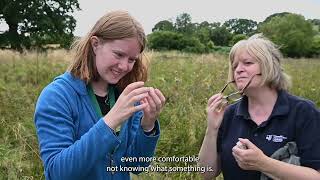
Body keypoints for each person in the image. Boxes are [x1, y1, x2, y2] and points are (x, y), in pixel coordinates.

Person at [34, 10, 165, 180]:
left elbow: (136, 164)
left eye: (132, 59)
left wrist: (148, 125)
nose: (125, 66)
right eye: (118, 54)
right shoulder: (57, 96)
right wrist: (110, 121)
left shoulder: (125, 95)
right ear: (95, 44)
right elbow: (57, 173)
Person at [198, 34, 320, 180]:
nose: (238, 70)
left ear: (269, 66)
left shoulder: (303, 112)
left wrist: (263, 163)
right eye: (235, 65)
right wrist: (211, 129)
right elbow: (206, 172)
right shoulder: (229, 113)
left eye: (247, 63)